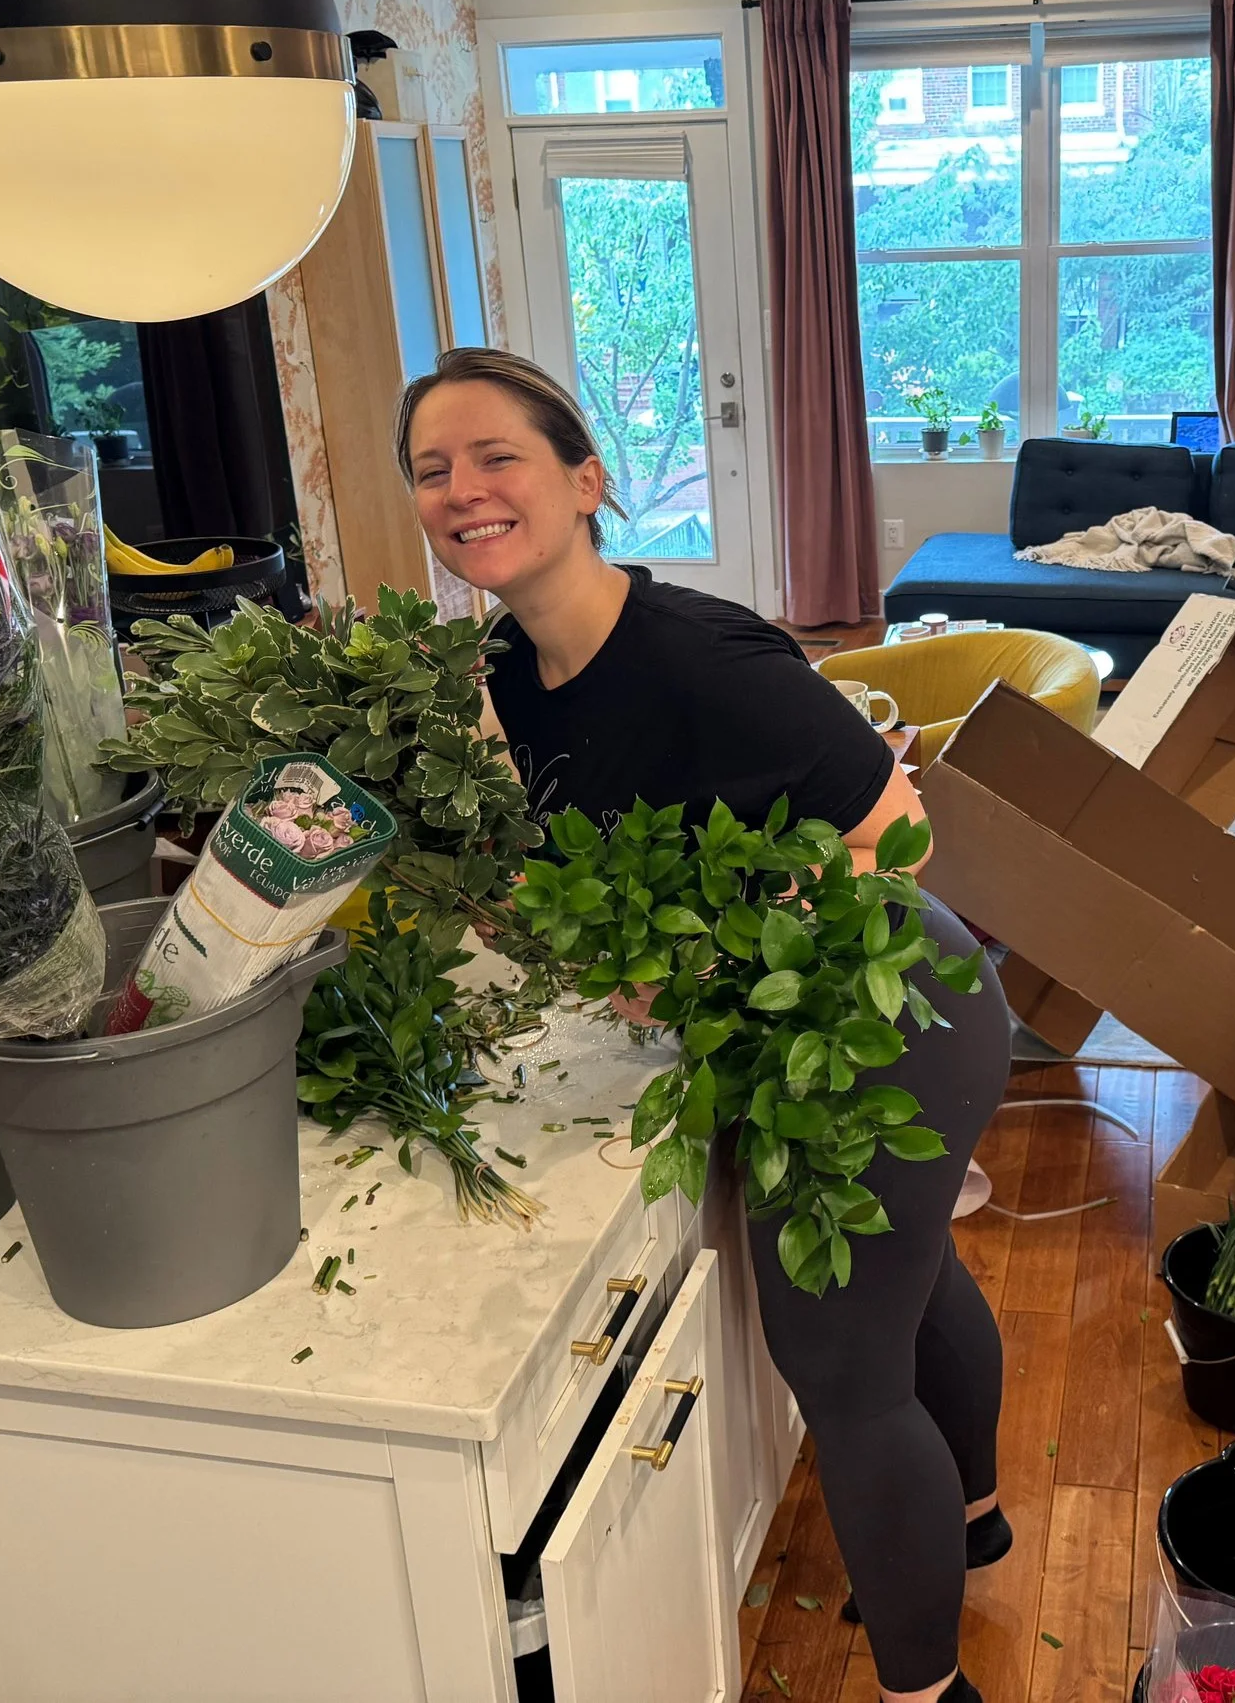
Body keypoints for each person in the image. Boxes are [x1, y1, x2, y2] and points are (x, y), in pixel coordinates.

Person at [400, 347, 1010, 1703]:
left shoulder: (697, 654)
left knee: (843, 1374)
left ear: (585, 478)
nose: (463, 490)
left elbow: (896, 832)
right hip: (827, 1020)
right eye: (433, 469)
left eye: (496, 456)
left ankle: (926, 1690)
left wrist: (709, 970)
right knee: (914, 1288)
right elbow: (588, 848)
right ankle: (972, 1518)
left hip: (882, 1020)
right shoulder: (511, 665)